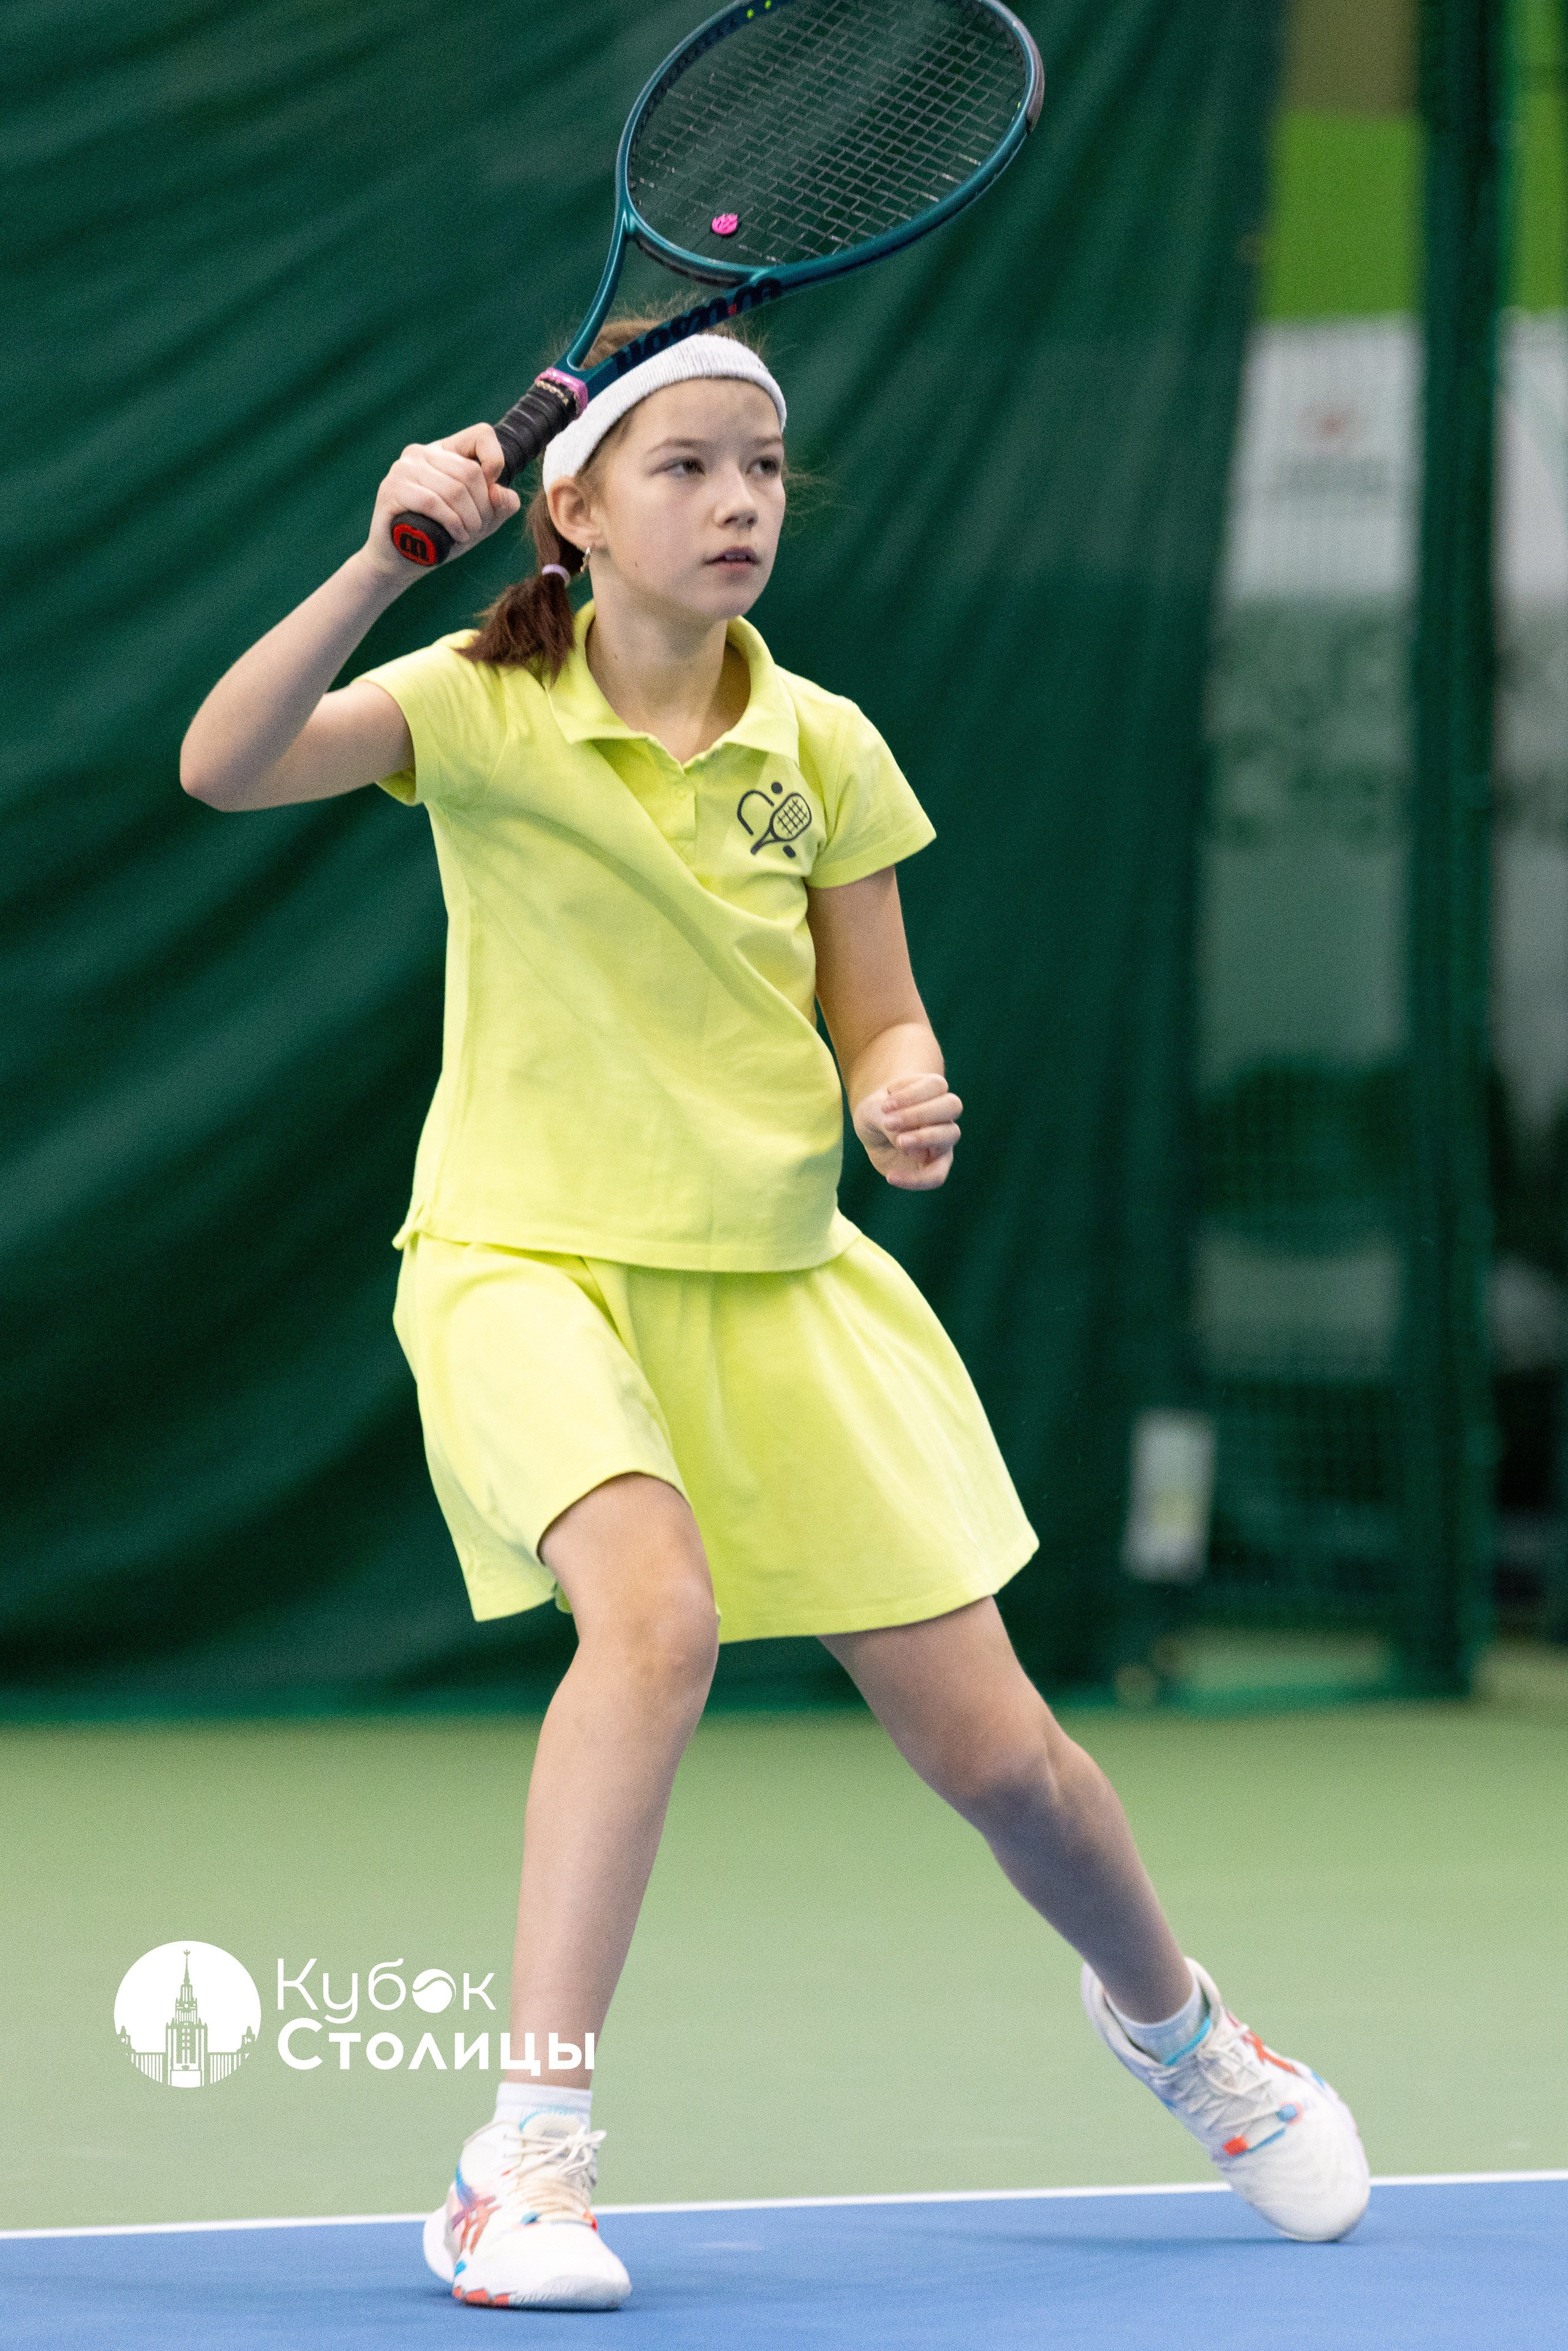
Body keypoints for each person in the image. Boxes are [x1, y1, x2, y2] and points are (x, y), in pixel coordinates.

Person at [181, 318, 1369, 2312]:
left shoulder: (826, 744)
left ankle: (1186, 2036)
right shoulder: (470, 706)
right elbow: (224, 765)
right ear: (572, 510)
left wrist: (897, 1091)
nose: (738, 503)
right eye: (688, 468)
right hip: (525, 1260)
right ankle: (524, 2159)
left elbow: (874, 1003)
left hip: (782, 1283)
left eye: (761, 472)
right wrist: (391, 556)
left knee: (1012, 1768)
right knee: (654, 1620)